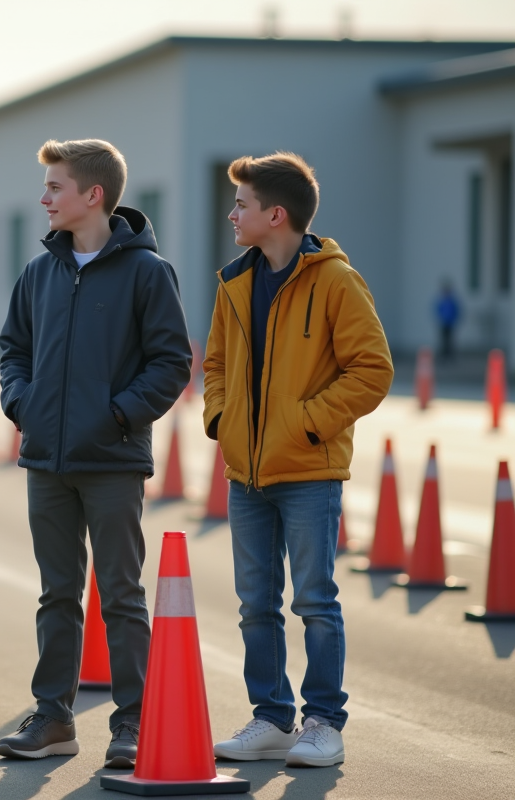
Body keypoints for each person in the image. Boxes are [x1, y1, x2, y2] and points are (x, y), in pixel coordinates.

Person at [0, 139, 192, 768]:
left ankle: (132, 723)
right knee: (57, 593)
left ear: (93, 195)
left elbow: (172, 363)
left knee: (121, 595)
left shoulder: (147, 272)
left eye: (56, 187)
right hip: (46, 460)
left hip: (111, 461)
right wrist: (20, 404)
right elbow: (14, 351)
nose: (45, 197)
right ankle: (53, 718)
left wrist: (116, 415)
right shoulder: (39, 272)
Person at [203, 152, 392, 768]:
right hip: (247, 474)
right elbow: (215, 366)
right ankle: (272, 719)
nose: (232, 213)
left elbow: (373, 370)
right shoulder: (234, 282)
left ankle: (323, 724)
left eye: (241, 205)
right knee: (255, 604)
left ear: (275, 214)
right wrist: (220, 420)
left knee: (314, 601)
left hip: (309, 470)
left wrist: (307, 423)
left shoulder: (337, 280)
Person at [434, 280, 461, 360]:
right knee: (443, 340)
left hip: (451, 323)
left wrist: (454, 319)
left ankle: (450, 356)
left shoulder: (452, 301)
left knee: (450, 340)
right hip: (443, 323)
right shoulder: (442, 301)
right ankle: (443, 355)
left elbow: (456, 311)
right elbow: (438, 310)